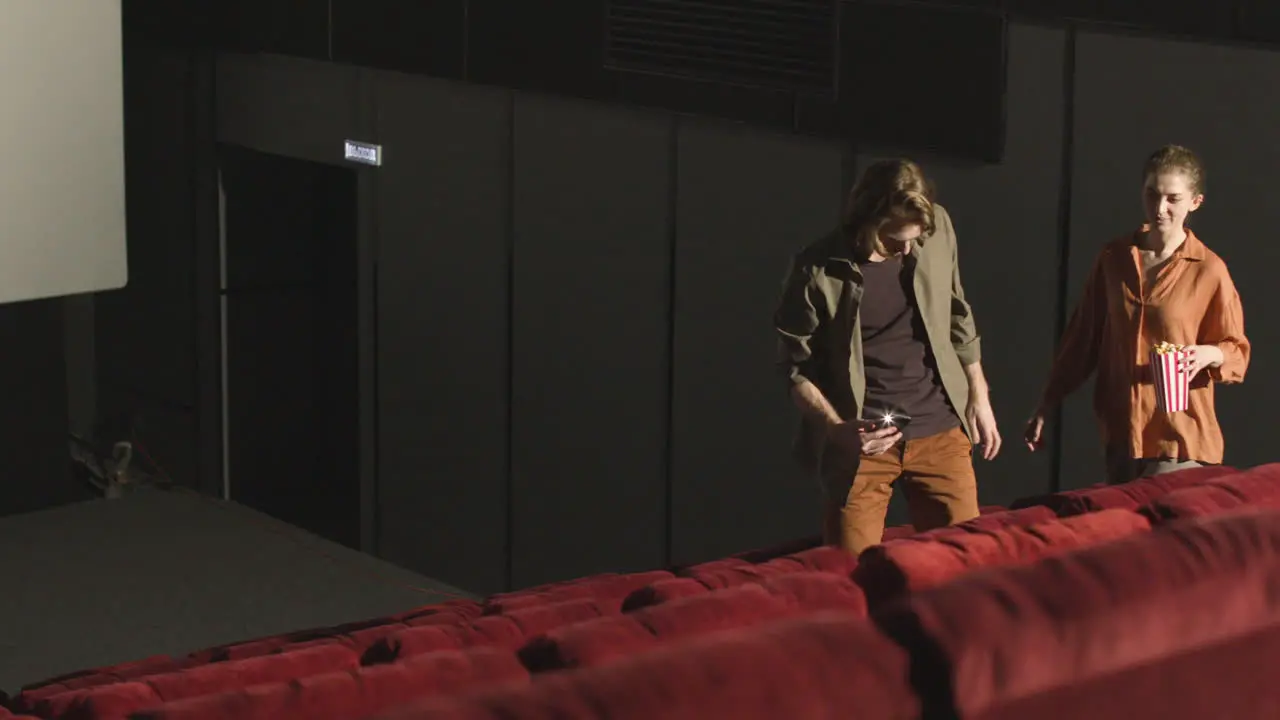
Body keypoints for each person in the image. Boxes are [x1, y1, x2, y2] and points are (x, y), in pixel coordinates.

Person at [774, 159, 1001, 556]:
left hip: (940, 429)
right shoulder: (817, 270)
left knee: (966, 565)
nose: (908, 249)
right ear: (867, 219)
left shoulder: (937, 228)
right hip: (864, 444)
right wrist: (836, 429)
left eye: (916, 238)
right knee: (850, 575)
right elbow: (795, 369)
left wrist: (978, 395)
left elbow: (957, 313)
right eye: (895, 240)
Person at [1025, 144, 1249, 484]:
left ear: (1194, 202)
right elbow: (1082, 338)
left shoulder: (1209, 269)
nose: (1160, 208)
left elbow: (1237, 351)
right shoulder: (1114, 258)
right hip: (1122, 433)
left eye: (1173, 198)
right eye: (1152, 194)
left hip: (1180, 435)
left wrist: (1208, 353)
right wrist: (1047, 401)